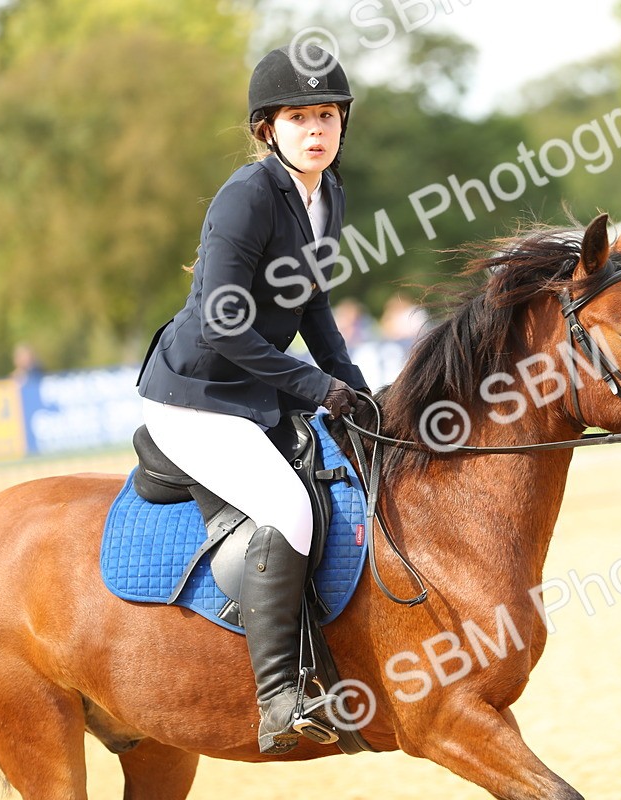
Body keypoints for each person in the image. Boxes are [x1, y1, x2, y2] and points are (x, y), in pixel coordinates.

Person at [136, 43, 369, 755]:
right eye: (299, 116)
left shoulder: (327, 195)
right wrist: (314, 387)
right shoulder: (247, 196)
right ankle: (279, 698)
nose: (315, 129)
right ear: (269, 128)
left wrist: (354, 385)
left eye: (326, 114)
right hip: (195, 396)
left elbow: (312, 306)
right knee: (288, 508)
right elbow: (220, 323)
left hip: (253, 390)